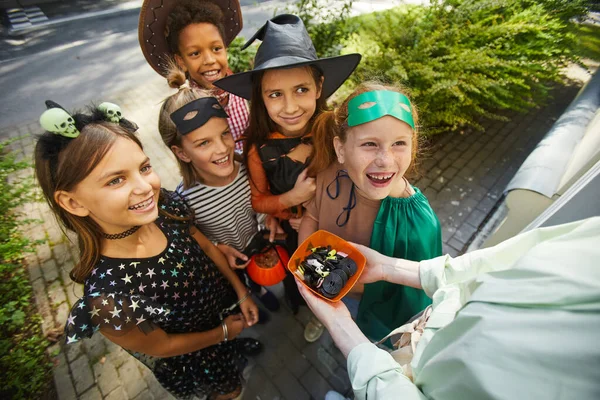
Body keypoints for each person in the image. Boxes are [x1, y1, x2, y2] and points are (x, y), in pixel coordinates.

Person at [35, 100, 261, 400]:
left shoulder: (164, 206)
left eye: (144, 168)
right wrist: (220, 334)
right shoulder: (108, 298)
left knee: (232, 343)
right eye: (116, 180)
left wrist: (240, 292)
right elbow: (161, 345)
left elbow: (203, 244)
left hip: (221, 308)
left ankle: (233, 345)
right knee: (229, 390)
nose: (145, 187)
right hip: (197, 353)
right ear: (74, 202)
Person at [298, 217, 600, 399]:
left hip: (404, 384)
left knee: (367, 383)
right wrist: (390, 267)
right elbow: (506, 259)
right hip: (417, 346)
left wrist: (342, 327)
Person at [214, 14, 361, 342]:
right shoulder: (259, 147)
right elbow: (258, 199)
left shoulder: (336, 129)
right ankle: (309, 311)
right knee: (304, 281)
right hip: (294, 235)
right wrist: (288, 203)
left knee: (340, 275)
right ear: (259, 96)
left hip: (340, 226)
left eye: (301, 89)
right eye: (275, 94)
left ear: (319, 87)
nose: (290, 106)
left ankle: (337, 306)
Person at [299, 83, 442, 343]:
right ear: (340, 149)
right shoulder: (330, 175)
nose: (385, 160)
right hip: (326, 286)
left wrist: (330, 283)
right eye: (369, 144)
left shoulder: (418, 224)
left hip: (373, 313)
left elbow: (411, 294)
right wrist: (310, 269)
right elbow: (311, 218)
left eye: (399, 143)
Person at [157, 64, 281, 317]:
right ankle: (255, 291)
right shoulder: (185, 201)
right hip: (233, 258)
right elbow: (198, 239)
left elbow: (265, 197)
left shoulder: (250, 167)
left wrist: (271, 215)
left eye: (224, 134)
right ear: (181, 153)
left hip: (262, 242)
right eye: (203, 143)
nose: (222, 149)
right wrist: (217, 247)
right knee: (247, 279)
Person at [139, 0, 248, 152]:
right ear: (181, 61)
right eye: (195, 53)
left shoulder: (245, 92)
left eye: (216, 48)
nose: (210, 60)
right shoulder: (184, 110)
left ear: (225, 49)